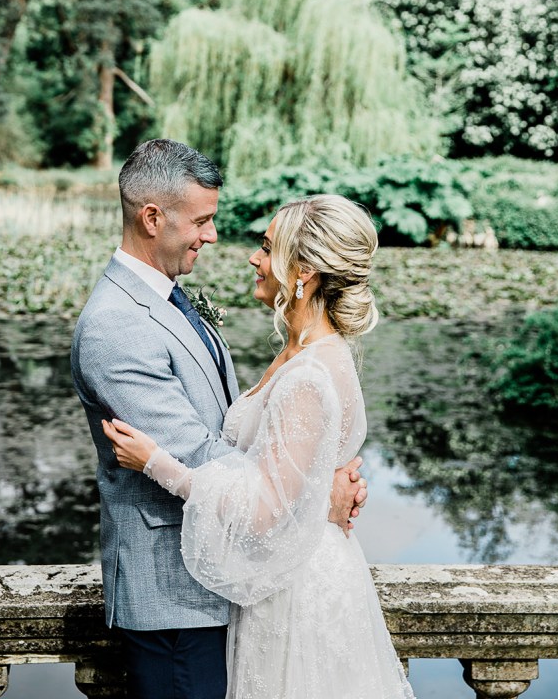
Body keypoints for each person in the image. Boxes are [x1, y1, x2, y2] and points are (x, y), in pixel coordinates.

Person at [71, 141, 367, 699]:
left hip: (224, 576)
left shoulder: (169, 297)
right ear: (152, 217)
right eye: (202, 221)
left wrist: (301, 482)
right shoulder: (116, 326)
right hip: (173, 599)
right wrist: (303, 495)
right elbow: (193, 451)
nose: (213, 236)